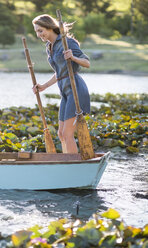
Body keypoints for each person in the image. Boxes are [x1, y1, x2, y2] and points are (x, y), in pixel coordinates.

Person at [32, 14, 91, 154]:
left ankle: (72, 166)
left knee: (67, 134)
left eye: (41, 30)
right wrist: (44, 86)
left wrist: (73, 57)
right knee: (60, 134)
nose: (39, 34)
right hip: (64, 92)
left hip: (76, 90)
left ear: (50, 27)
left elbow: (87, 63)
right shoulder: (49, 46)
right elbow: (60, 72)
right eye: (36, 31)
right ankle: (67, 160)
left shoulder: (67, 42)